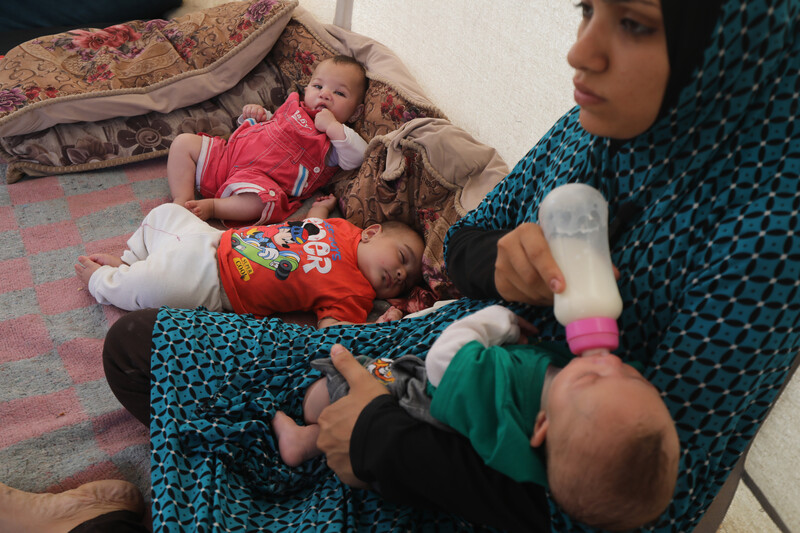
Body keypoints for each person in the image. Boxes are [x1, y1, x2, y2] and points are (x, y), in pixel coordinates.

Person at [8, 0, 799, 531]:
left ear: (729, 51)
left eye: (633, 23)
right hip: (449, 354)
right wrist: (498, 265)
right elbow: (464, 247)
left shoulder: (768, 239)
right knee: (139, 348)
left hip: (514, 473)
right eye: (587, 9)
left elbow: (636, 507)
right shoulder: (592, 129)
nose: (579, 50)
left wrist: (387, 440)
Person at [272, 305, 681, 531]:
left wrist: (497, 321)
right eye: (633, 377)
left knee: (333, 387)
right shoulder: (562, 454)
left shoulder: (510, 389)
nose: (610, 363)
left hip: (406, 403)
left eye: (591, 379)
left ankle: (304, 441)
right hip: (414, 457)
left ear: (542, 427)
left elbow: (443, 361)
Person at [74, 194, 424, 327]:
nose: (399, 273)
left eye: (406, 278)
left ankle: (106, 282)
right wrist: (323, 205)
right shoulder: (343, 229)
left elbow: (334, 333)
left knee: (150, 289)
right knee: (166, 212)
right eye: (402, 258)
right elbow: (312, 224)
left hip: (217, 285)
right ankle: (132, 260)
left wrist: (380, 328)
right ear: (371, 232)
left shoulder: (356, 294)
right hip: (215, 240)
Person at [167, 55, 368, 225]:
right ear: (306, 90)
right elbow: (271, 127)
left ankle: (213, 207)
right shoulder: (292, 106)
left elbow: (359, 156)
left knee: (262, 202)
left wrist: (332, 126)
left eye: (339, 93)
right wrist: (256, 116)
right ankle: (182, 200)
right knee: (183, 142)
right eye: (318, 86)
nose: (325, 94)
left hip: (257, 183)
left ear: (356, 112)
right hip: (226, 157)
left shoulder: (334, 142)